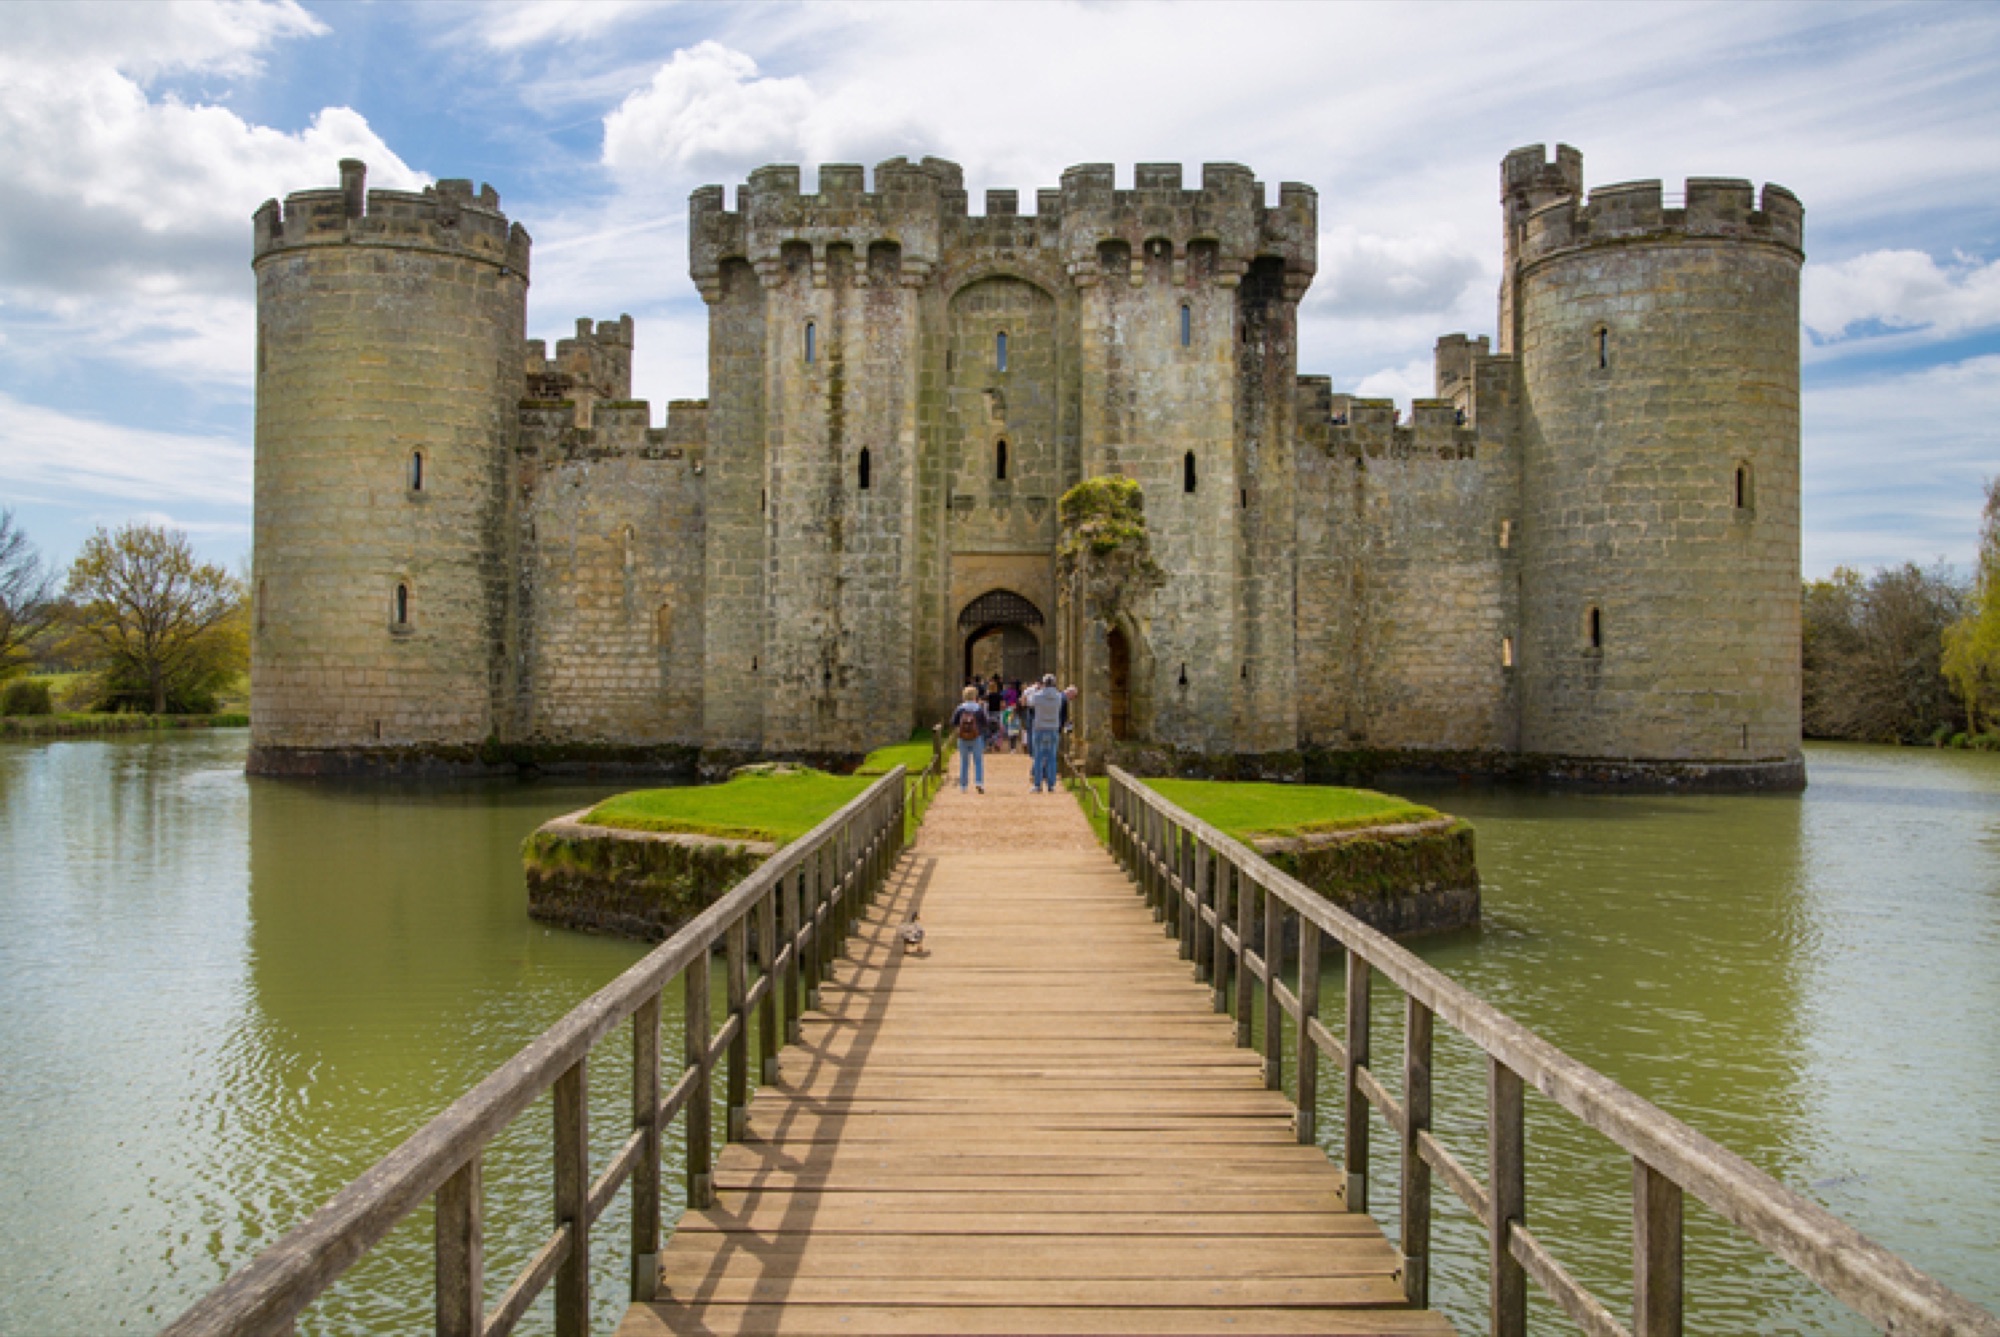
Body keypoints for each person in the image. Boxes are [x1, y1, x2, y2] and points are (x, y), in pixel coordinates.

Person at [1024, 673, 1065, 793]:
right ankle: (1051, 785)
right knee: (1052, 757)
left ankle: (1037, 785)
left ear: (1044, 684)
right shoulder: (1058, 697)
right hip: (1053, 729)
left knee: (1038, 758)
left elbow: (1028, 702)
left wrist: (1036, 689)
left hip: (1040, 728)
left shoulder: (1037, 696)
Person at [949, 685, 989, 793]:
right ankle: (979, 782)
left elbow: (953, 722)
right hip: (976, 736)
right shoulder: (978, 708)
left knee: (964, 762)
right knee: (978, 761)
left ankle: (963, 786)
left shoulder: (960, 708)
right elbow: (985, 723)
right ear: (975, 696)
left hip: (962, 737)